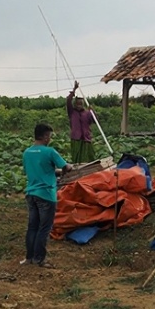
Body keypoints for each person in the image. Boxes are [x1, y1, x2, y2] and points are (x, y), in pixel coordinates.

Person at [22, 123, 67, 268]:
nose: (50, 139)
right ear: (45, 136)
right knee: (44, 228)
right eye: (49, 136)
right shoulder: (50, 151)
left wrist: (51, 172)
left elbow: (34, 170)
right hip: (46, 194)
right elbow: (66, 167)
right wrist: (68, 169)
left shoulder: (27, 152)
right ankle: (39, 259)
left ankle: (29, 258)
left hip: (31, 193)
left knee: (32, 227)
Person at [66, 82, 96, 163]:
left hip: (86, 139)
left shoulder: (87, 113)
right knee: (77, 159)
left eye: (81, 103)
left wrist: (92, 111)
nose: (79, 105)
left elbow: (95, 120)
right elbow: (68, 100)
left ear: (83, 104)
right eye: (77, 103)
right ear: (75, 104)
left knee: (89, 158)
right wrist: (74, 89)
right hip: (76, 139)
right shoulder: (72, 112)